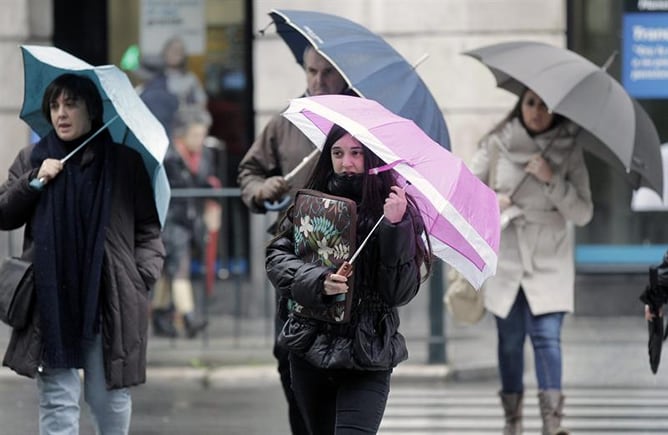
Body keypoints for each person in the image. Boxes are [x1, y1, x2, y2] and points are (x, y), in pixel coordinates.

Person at [0, 73, 165, 434]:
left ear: (92, 110)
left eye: (71, 104)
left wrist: (140, 277)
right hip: (50, 299)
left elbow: (148, 230)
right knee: (57, 401)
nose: (61, 113)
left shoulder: (124, 163)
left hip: (108, 298)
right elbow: (3, 213)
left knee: (108, 400)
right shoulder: (33, 157)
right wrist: (34, 182)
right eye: (55, 105)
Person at [265, 123, 431, 434]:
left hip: (366, 351)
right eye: (338, 153)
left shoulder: (396, 210)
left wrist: (395, 228)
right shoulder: (311, 203)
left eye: (356, 153)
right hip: (309, 347)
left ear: (372, 159)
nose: (347, 163)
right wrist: (318, 280)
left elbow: (399, 292)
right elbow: (277, 259)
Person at [237, 44, 351, 434]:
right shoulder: (287, 121)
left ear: (344, 75)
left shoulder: (361, 122)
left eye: (327, 73)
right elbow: (248, 171)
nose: (318, 81)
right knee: (289, 353)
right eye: (311, 72)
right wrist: (261, 187)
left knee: (343, 360)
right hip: (294, 260)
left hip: (347, 261)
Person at [469, 88, 593, 435]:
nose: (537, 111)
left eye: (545, 104)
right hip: (507, 256)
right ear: (519, 105)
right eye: (530, 103)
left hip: (548, 257)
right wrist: (494, 201)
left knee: (547, 337)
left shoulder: (569, 149)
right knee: (509, 343)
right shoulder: (497, 142)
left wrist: (551, 179)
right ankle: (513, 421)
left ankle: (553, 426)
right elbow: (467, 191)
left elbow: (583, 212)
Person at [152, 107, 221, 338]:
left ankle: (159, 314)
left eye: (202, 135)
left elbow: (203, 183)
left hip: (190, 219)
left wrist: (212, 195)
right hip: (171, 219)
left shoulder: (204, 155)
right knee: (179, 267)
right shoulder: (169, 155)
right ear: (182, 134)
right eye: (195, 135)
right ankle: (189, 317)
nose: (199, 140)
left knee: (167, 271)